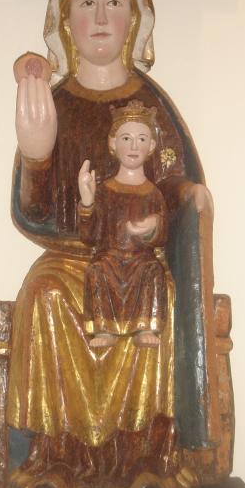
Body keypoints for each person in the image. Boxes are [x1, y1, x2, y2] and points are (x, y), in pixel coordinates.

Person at [6, 0, 216, 488]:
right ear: (65, 21)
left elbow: (173, 181)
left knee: (156, 297)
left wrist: (185, 199)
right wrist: (36, 156)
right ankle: (56, 459)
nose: (100, 17)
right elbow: (31, 213)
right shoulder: (55, 102)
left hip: (136, 260)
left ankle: (146, 458)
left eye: (114, 2)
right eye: (87, 3)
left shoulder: (150, 105)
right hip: (71, 259)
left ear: (134, 20)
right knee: (44, 294)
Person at [78, 100, 168, 349]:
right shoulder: (105, 191)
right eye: (126, 138)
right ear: (113, 143)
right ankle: (104, 327)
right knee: (97, 270)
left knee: (153, 271)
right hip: (110, 257)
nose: (133, 146)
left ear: (151, 146)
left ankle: (145, 325)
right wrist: (87, 202)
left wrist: (154, 225)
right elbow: (89, 237)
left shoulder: (153, 193)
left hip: (141, 259)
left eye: (141, 139)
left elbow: (162, 236)